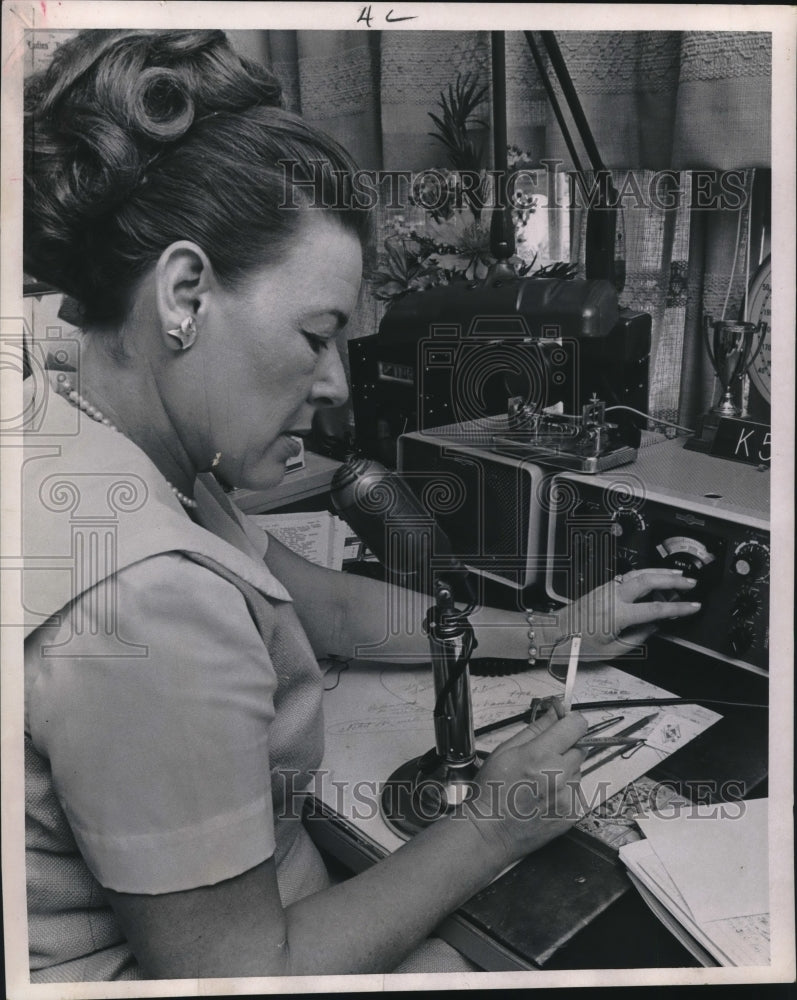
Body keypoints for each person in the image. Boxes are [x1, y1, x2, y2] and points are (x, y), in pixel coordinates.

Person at [21, 29, 701, 982]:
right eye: (318, 334)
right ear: (183, 294)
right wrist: (493, 826)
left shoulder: (79, 415)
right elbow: (239, 973)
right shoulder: (149, 596)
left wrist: (553, 630)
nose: (337, 384)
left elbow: (323, 603)